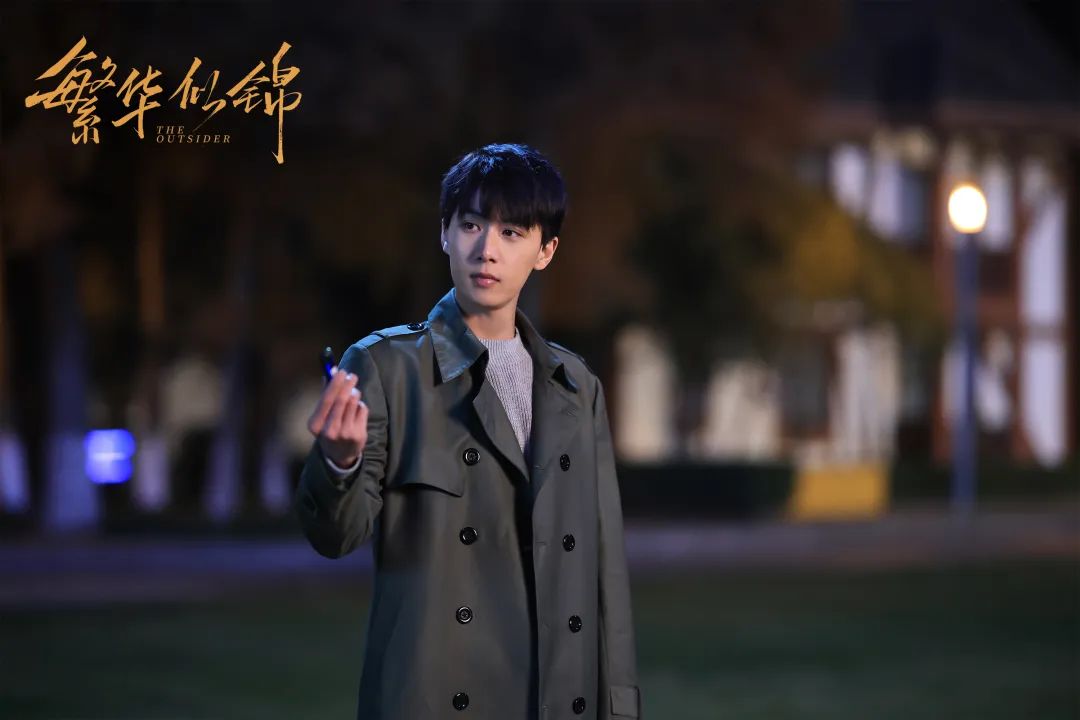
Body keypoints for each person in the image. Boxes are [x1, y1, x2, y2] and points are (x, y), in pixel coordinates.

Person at [295, 142, 641, 720]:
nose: (487, 250)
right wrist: (339, 461)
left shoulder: (576, 386)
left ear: (546, 251)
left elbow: (604, 570)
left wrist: (621, 708)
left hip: (557, 698)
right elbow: (335, 536)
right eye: (472, 225)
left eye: (512, 232)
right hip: (437, 695)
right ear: (445, 233)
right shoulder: (386, 367)